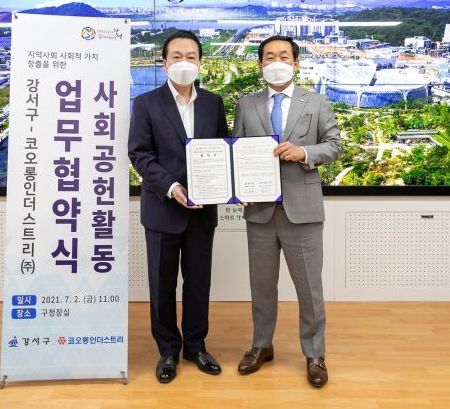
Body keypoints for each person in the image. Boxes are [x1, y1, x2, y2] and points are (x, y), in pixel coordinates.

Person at [233, 35, 342, 387]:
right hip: (260, 212)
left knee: (309, 288)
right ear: (260, 65)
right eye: (269, 56)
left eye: (283, 56)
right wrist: (238, 188)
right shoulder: (246, 105)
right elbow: (236, 152)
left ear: (296, 63)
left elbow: (334, 146)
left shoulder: (317, 101)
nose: (276, 61)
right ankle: (261, 345)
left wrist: (305, 153)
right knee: (262, 286)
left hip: (303, 210)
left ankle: (315, 353)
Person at [128, 30, 228, 383]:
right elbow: (139, 154)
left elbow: (222, 150)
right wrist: (171, 187)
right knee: (162, 284)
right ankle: (168, 350)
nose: (184, 62)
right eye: (176, 56)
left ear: (200, 62)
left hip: (202, 212)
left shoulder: (214, 103)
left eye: (191, 56)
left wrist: (232, 184)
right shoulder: (146, 103)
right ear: (164, 62)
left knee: (199, 283)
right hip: (162, 209)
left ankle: (196, 347)